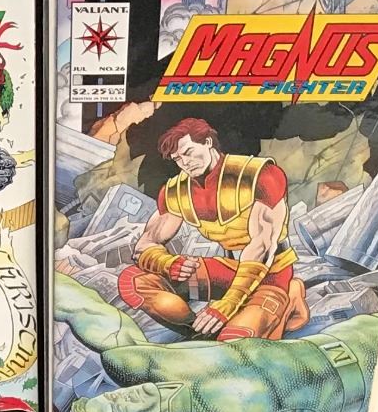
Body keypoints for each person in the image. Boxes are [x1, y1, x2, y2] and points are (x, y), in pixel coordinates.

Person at [120, 118, 306, 340]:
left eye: (189, 152)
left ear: (208, 142)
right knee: (134, 282)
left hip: (270, 275)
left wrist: (229, 303)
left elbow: (263, 245)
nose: (185, 163)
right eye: (177, 159)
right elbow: (144, 246)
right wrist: (167, 263)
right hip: (228, 271)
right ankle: (200, 331)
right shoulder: (176, 191)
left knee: (236, 337)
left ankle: (290, 296)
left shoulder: (261, 176)